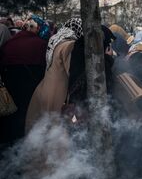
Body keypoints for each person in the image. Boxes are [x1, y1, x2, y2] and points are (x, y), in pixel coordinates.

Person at [25, 25, 115, 133]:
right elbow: (76, 73)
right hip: (60, 94)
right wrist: (106, 59)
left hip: (47, 89)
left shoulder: (58, 40)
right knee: (55, 131)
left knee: (45, 130)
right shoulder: (69, 46)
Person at [0, 16, 50, 146]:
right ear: (38, 29)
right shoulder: (41, 44)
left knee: (13, 118)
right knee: (28, 117)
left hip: (11, 88)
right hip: (32, 88)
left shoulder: (9, 43)